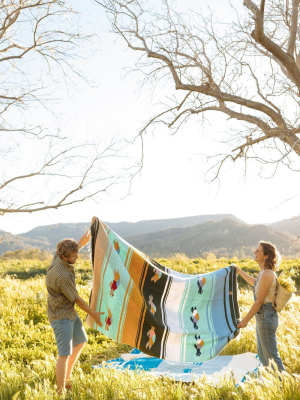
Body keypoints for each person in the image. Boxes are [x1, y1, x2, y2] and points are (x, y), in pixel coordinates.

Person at [46, 216, 103, 395]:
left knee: (81, 340)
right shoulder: (61, 274)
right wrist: (92, 313)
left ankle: (67, 376)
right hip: (61, 316)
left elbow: (80, 243)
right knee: (64, 354)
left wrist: (91, 229)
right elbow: (77, 299)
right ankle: (60, 391)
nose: (77, 257)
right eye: (73, 256)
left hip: (68, 313)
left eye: (76, 254)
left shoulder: (59, 257)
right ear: (64, 257)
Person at [234, 241, 285, 372]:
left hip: (265, 315)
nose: (255, 252)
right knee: (263, 355)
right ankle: (273, 384)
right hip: (262, 316)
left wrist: (245, 320)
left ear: (266, 256)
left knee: (271, 356)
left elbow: (259, 301)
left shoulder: (268, 274)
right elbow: (255, 283)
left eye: (258, 251)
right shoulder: (263, 273)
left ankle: (282, 384)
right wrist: (239, 271)